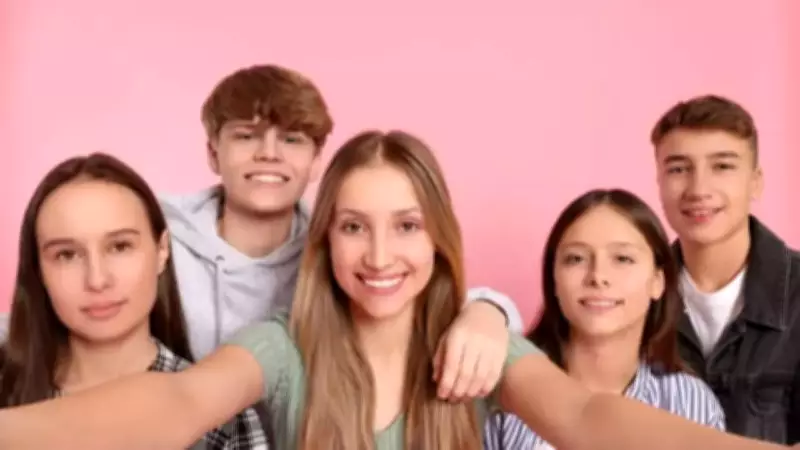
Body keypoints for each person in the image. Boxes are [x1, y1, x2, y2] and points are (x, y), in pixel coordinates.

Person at [0, 131, 791, 450]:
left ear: (437, 238)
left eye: (406, 226)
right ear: (325, 239)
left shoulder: (475, 355)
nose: (379, 255)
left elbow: (586, 416)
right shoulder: (282, 351)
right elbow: (176, 403)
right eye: (354, 227)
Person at [156, 64, 523, 399]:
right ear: (212, 153)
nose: (269, 154)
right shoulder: (159, 235)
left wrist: (489, 312)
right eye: (246, 136)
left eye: (292, 139)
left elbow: (428, 296)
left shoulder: (338, 248)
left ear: (317, 160)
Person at [0, 153, 266, 449]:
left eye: (120, 247)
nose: (97, 280)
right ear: (39, 271)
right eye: (67, 255)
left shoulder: (222, 418)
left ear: (162, 250)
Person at [484, 188, 725, 449]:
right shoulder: (503, 390)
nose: (598, 276)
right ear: (553, 279)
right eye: (576, 259)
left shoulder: (689, 402)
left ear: (658, 280)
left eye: (622, 259)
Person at [651, 95, 800, 444]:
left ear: (756, 182)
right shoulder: (632, 294)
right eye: (678, 169)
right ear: (659, 181)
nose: (699, 190)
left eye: (722, 166)